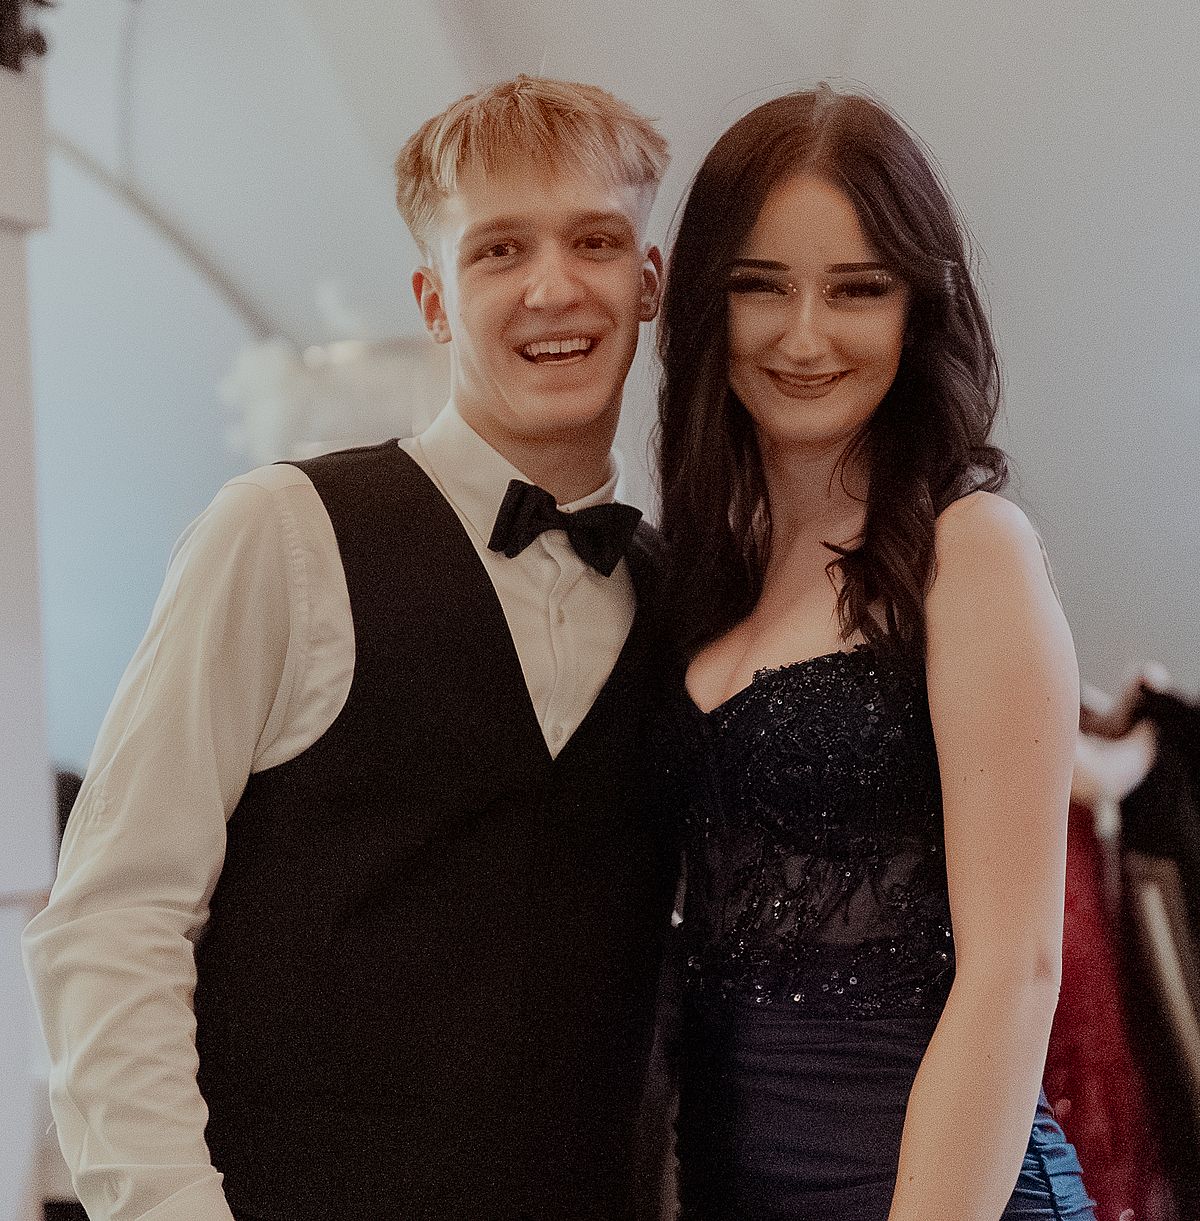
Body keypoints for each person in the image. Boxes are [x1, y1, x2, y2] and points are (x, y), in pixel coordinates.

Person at [24, 76, 679, 1221]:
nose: (553, 287)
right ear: (434, 300)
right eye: (498, 250)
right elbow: (113, 919)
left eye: (595, 241)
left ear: (650, 281)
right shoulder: (280, 534)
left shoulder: (681, 596)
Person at [655, 86, 1096, 1219]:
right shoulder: (704, 574)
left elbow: (1015, 974)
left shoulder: (973, 549)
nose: (805, 336)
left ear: (917, 309)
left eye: (857, 289)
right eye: (762, 286)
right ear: (705, 301)